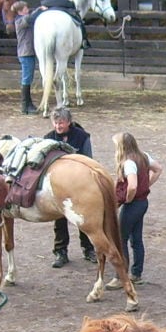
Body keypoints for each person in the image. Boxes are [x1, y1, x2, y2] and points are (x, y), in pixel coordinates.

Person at [109, 131, 162, 286]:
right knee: (136, 239)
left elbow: (132, 186)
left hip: (133, 204)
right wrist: (147, 185)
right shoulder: (143, 156)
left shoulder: (128, 163)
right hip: (143, 202)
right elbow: (158, 169)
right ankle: (136, 273)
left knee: (120, 239)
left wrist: (128, 198)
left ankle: (121, 276)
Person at [45, 107, 96, 267]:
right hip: (58, 188)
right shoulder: (48, 139)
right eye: (56, 123)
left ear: (69, 122)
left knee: (83, 219)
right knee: (59, 220)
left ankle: (88, 249)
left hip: (78, 187)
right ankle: (60, 252)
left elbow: (88, 160)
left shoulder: (82, 137)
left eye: (61, 122)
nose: (58, 126)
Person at [12, 0, 38, 115]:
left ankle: (29, 104)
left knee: (29, 78)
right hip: (25, 52)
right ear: (20, 11)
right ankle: (25, 106)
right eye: (25, 9)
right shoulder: (20, 21)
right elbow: (29, 18)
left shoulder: (22, 19)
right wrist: (39, 10)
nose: (27, 10)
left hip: (28, 52)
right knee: (26, 78)